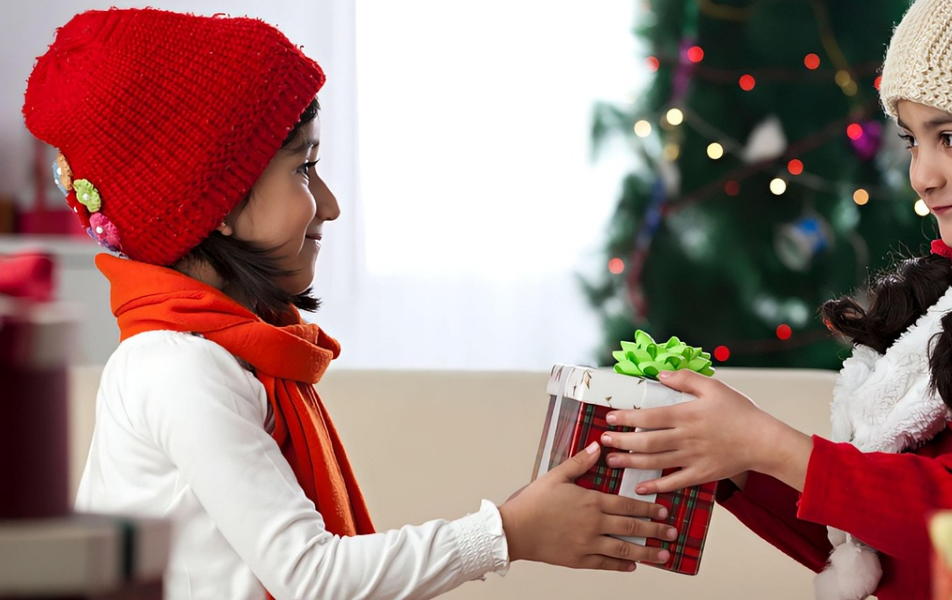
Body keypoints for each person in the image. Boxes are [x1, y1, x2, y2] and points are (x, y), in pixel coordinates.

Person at [23, 8, 675, 599]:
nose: (330, 205)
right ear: (217, 198)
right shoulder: (179, 368)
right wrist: (504, 533)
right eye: (303, 168)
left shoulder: (231, 355)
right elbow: (312, 577)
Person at [597, 0, 952, 598]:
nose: (922, 176)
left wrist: (768, 443)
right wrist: (738, 459)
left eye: (951, 138)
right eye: (912, 141)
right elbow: (870, 541)